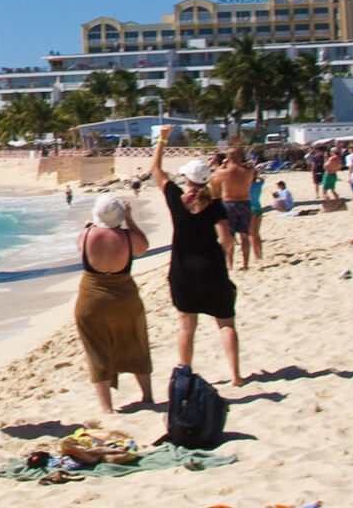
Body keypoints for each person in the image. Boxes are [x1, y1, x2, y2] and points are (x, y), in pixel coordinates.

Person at [151, 126, 244, 387]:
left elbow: (156, 170)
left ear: (187, 180)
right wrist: (226, 258)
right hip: (212, 269)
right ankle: (236, 376)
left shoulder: (176, 199)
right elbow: (226, 240)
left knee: (186, 327)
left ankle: (187, 372)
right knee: (226, 323)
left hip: (183, 271)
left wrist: (162, 140)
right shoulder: (216, 206)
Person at [74, 194, 154, 414]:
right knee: (136, 343)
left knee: (97, 351)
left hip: (92, 298)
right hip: (125, 296)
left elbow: (82, 248)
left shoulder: (86, 234)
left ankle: (106, 407)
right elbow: (143, 247)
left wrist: (91, 226)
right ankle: (147, 395)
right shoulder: (129, 238)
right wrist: (130, 219)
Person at [215, 148, 255, 270]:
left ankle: (230, 264)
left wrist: (222, 165)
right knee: (244, 236)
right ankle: (245, 264)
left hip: (229, 203)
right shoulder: (248, 171)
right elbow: (251, 180)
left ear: (228, 158)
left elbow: (215, 178)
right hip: (244, 202)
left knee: (229, 236)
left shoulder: (224, 172)